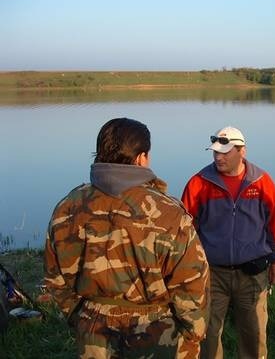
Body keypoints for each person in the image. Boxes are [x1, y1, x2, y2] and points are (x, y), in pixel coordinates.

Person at [44, 118, 209, 359]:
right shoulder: (167, 212)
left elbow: (55, 277)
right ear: (142, 157)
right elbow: (192, 282)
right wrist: (194, 333)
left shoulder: (67, 208)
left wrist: (81, 316)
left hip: (93, 333)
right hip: (158, 333)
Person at [181, 126, 275, 359]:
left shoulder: (261, 182)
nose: (219, 157)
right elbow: (184, 231)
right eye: (215, 152)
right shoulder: (199, 183)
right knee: (208, 333)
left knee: (253, 334)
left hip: (252, 274)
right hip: (212, 273)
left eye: (225, 152)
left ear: (242, 151)